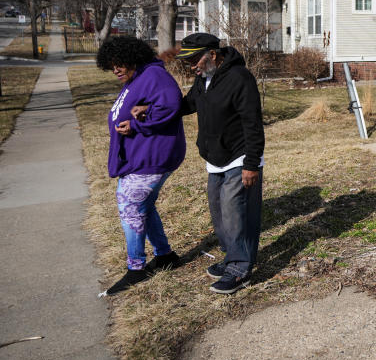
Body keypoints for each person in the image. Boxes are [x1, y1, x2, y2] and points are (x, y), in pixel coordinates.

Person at [170, 32, 264, 294]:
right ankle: (231, 256)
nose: (191, 67)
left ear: (212, 55)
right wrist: (153, 107)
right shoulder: (204, 79)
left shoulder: (240, 78)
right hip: (215, 159)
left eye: (194, 60)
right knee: (219, 211)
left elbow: (252, 123)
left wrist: (251, 164)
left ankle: (240, 268)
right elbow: (188, 105)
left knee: (237, 213)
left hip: (240, 156)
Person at [96, 36, 185, 295]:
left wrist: (136, 124)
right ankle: (165, 255)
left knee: (129, 205)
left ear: (133, 57)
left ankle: (136, 268)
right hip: (143, 156)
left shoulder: (154, 76)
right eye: (111, 66)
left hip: (153, 158)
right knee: (143, 206)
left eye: (120, 63)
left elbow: (170, 105)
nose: (116, 70)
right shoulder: (140, 76)